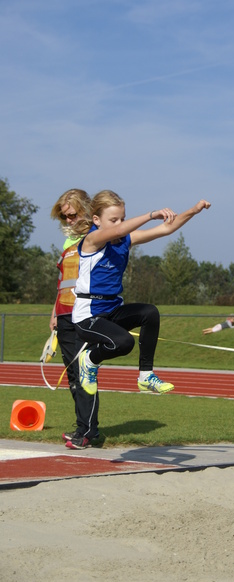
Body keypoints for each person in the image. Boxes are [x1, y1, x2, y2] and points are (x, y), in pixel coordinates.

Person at [67, 191, 211, 449]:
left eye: (121, 217)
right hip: (88, 315)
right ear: (97, 220)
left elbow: (167, 229)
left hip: (111, 310)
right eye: (114, 220)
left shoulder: (124, 240)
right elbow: (121, 230)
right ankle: (90, 361)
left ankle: (146, 375)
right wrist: (151, 213)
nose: (119, 224)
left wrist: (193, 210)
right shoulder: (92, 240)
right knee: (123, 343)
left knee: (149, 312)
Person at [50, 189, 101, 442]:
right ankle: (83, 427)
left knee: (84, 372)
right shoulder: (68, 243)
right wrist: (54, 314)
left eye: (72, 215)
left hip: (83, 314)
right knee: (72, 375)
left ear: (86, 210)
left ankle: (90, 431)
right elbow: (63, 281)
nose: (68, 221)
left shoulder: (96, 237)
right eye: (64, 217)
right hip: (64, 315)